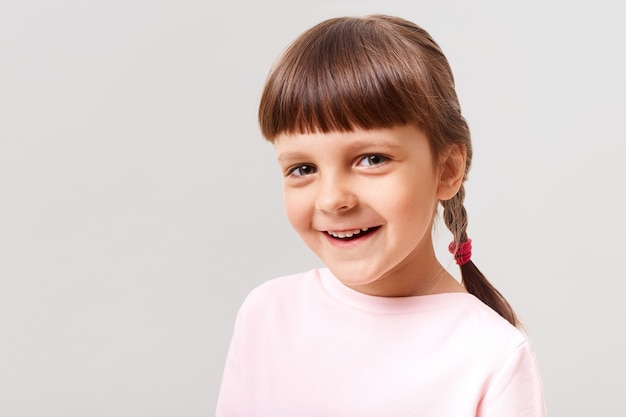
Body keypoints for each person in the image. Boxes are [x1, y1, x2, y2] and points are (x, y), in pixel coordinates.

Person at [216, 14, 546, 416]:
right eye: (303, 169)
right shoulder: (266, 314)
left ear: (446, 170)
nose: (332, 199)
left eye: (372, 159)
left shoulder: (493, 355)